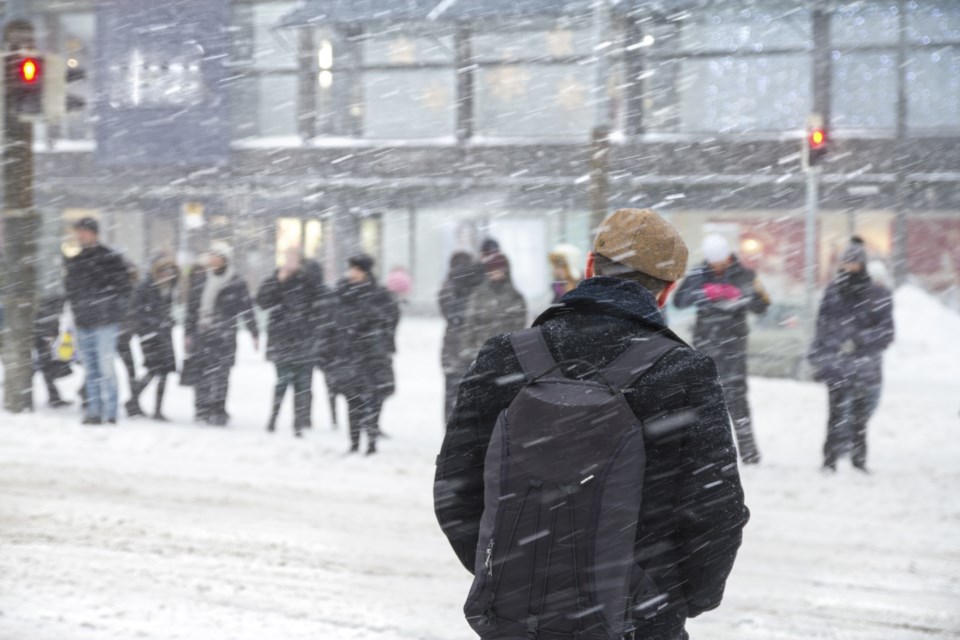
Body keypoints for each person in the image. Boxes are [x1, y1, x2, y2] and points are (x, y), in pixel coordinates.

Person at [435, 208, 749, 640]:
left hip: (516, 616)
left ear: (588, 266)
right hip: (636, 618)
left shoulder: (505, 355)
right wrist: (675, 599)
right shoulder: (684, 372)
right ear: (666, 290)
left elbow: (455, 486)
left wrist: (509, 568)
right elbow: (718, 510)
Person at [673, 233, 770, 464]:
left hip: (734, 345)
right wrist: (703, 293)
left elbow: (763, 305)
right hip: (705, 343)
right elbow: (679, 301)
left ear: (728, 256)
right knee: (704, 398)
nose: (716, 265)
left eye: (720, 260)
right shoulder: (697, 274)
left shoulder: (745, 274)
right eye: (712, 261)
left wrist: (744, 296)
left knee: (736, 397)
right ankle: (708, 452)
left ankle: (749, 452)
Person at [809, 239, 895, 473]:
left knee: (859, 417)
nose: (849, 266)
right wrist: (818, 356)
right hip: (837, 363)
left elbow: (886, 332)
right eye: (846, 261)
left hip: (863, 365)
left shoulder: (878, 295)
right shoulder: (833, 291)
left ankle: (859, 461)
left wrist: (858, 339)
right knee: (834, 415)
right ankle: (829, 461)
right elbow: (822, 326)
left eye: (854, 261)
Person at [64, 218, 133, 425]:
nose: (80, 236)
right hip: (86, 320)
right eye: (79, 232)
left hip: (104, 320)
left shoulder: (109, 258)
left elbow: (124, 287)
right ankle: (94, 410)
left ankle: (110, 411)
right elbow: (71, 289)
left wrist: (109, 306)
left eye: (83, 232)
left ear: (94, 233)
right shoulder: (77, 259)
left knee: (105, 368)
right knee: (92, 369)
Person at [185, 243, 259, 426]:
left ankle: (218, 409)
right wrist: (188, 332)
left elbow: (246, 308)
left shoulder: (236, 282)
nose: (212, 260)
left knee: (221, 374)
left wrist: (254, 332)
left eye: (216, 256)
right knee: (201, 373)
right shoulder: (201, 278)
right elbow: (191, 308)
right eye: (211, 256)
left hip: (224, 335)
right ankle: (201, 409)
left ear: (225, 259)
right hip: (202, 333)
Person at [331, 254, 399, 454]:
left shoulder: (380, 294)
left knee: (374, 398)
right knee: (352, 399)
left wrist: (377, 334)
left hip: (374, 355)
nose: (351, 273)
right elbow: (333, 320)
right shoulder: (342, 292)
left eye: (355, 269)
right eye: (350, 269)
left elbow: (391, 319)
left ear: (365, 272)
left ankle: (371, 441)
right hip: (349, 353)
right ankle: (353, 443)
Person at [257, 248, 321, 437]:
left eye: (294, 258)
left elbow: (320, 301)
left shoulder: (309, 280)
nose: (289, 261)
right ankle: (273, 419)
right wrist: (278, 280)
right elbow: (262, 302)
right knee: (282, 381)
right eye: (287, 257)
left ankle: (299, 423)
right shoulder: (275, 278)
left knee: (303, 384)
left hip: (305, 338)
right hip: (282, 339)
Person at [126, 255, 179, 421]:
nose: (167, 275)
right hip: (149, 334)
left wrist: (168, 320)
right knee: (153, 369)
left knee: (165, 371)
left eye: (170, 271)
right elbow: (136, 311)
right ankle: (133, 400)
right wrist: (155, 322)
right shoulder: (145, 287)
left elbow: (165, 310)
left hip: (164, 333)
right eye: (164, 271)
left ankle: (157, 409)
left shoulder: (169, 288)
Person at [438, 252, 484, 422]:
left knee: (452, 394)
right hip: (470, 347)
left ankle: (452, 431)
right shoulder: (477, 286)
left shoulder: (449, 286)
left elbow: (448, 311)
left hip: (453, 349)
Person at [463, 252, 527, 356]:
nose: (495, 273)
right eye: (492, 270)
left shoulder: (516, 297)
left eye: (499, 269)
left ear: (505, 271)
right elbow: (470, 324)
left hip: (507, 352)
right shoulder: (479, 295)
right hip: (482, 352)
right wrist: (468, 350)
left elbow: (520, 327)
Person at [34, 293, 72, 408]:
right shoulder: (52, 295)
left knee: (43, 364)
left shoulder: (53, 294)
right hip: (45, 328)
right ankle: (54, 397)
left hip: (46, 327)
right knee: (44, 364)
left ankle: (54, 396)